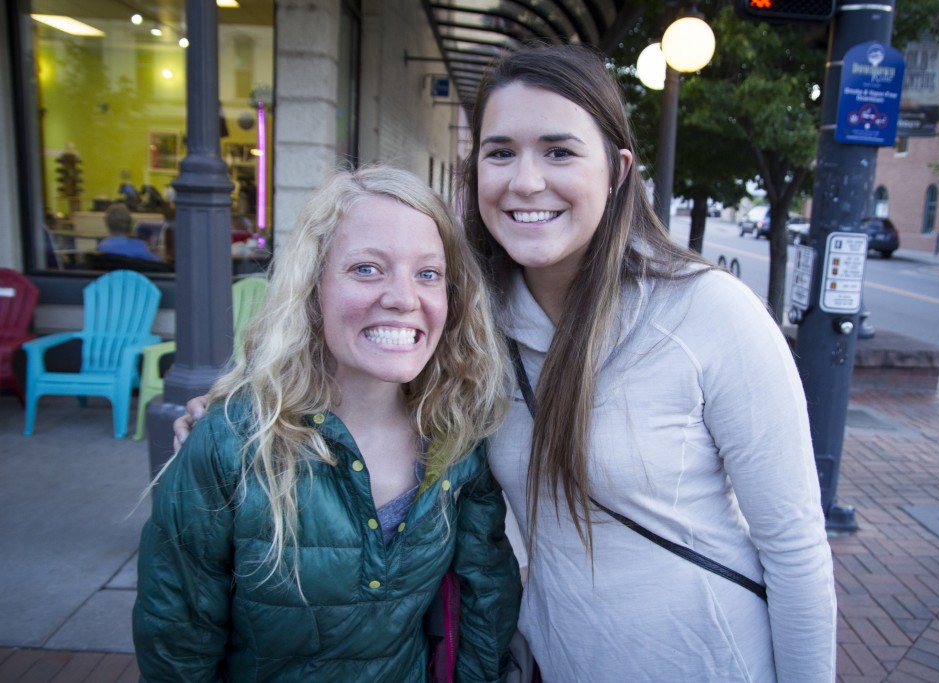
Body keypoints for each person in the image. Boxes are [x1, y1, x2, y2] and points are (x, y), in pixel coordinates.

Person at [175, 45, 837, 682]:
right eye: (501, 152)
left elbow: (796, 549)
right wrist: (237, 416)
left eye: (558, 150)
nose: (525, 180)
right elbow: (351, 363)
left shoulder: (711, 313)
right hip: (555, 663)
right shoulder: (468, 318)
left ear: (619, 169)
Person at [135, 166, 522, 681]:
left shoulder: (456, 439)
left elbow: (485, 603)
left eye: (428, 274)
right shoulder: (233, 442)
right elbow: (176, 641)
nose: (404, 298)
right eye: (366, 268)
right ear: (312, 286)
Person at [97, 202, 163, 262]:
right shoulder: (139, 246)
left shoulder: (102, 246)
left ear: (107, 224)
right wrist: (156, 252)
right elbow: (158, 264)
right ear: (130, 223)